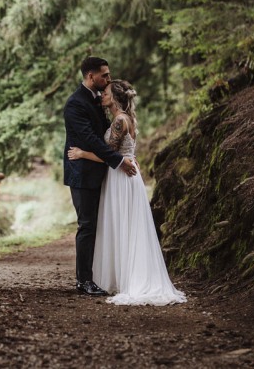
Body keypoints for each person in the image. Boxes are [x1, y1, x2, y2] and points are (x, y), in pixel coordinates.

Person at [68, 80, 186, 305]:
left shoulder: (120, 121)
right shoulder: (125, 119)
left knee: (123, 225)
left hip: (121, 177)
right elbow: (125, 152)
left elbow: (108, 154)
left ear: (116, 98)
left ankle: (130, 279)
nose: (102, 95)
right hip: (125, 175)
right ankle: (124, 275)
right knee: (127, 226)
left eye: (107, 93)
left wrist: (82, 153)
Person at [63, 57, 137, 296]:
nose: (108, 79)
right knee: (87, 225)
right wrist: (118, 161)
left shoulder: (100, 101)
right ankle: (83, 280)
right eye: (104, 75)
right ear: (90, 76)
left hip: (104, 173)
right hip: (83, 174)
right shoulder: (75, 104)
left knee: (101, 226)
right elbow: (89, 139)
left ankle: (102, 276)